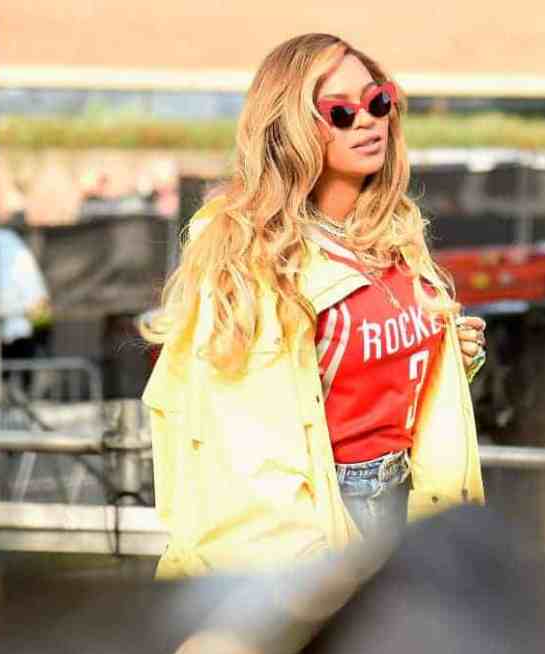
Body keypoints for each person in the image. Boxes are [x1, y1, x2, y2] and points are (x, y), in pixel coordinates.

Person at [140, 33, 488, 579]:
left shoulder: (392, 231)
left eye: (377, 101)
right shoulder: (248, 248)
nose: (369, 120)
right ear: (291, 127)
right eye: (340, 112)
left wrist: (445, 355)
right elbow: (252, 449)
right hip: (320, 514)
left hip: (410, 500)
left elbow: (359, 371)